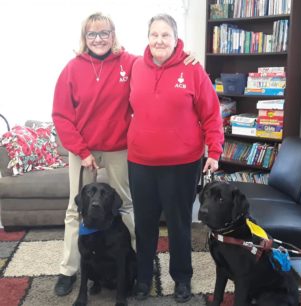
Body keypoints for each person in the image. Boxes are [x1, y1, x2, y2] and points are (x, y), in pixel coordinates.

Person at [52, 12, 197, 297]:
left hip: (119, 147)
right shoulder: (71, 68)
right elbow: (61, 115)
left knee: (127, 206)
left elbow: (159, 60)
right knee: (75, 209)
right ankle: (68, 270)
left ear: (113, 34)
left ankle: (135, 266)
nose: (99, 39)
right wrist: (81, 151)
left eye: (105, 32)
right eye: (92, 34)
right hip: (84, 149)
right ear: (85, 37)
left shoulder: (130, 62)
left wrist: (184, 54)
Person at [127, 14, 224, 303]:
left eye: (165, 35)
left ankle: (182, 279)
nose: (159, 40)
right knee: (144, 224)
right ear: (148, 37)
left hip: (182, 164)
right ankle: (143, 279)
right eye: (154, 34)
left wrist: (214, 151)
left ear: (175, 38)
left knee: (179, 224)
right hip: (141, 162)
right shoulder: (134, 66)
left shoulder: (193, 69)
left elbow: (211, 113)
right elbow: (106, 53)